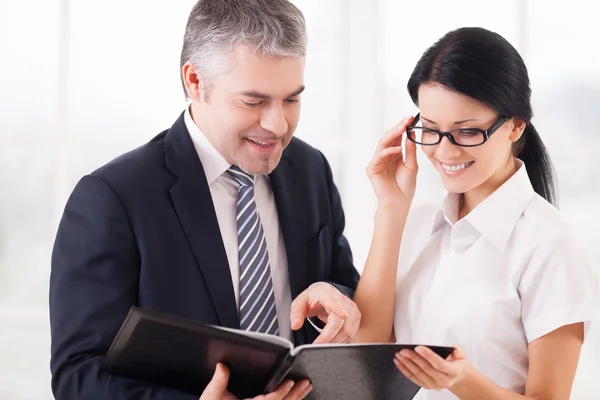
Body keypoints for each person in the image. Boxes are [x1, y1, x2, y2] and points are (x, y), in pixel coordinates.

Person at [49, 1, 361, 399]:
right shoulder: (113, 198)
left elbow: (340, 285)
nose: (278, 126)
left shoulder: (310, 169)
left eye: (291, 99)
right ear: (195, 81)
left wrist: (336, 301)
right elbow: (78, 375)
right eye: (253, 102)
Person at [353, 27, 598, 400]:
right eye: (430, 130)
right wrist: (390, 208)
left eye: (467, 132)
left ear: (516, 124)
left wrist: (462, 380)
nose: (445, 152)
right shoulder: (414, 225)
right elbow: (365, 348)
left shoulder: (550, 246)